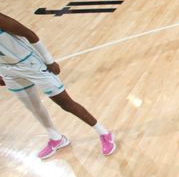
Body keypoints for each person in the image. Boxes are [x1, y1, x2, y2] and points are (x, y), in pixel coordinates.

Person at [0, 12, 115, 158]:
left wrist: (49, 60)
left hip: (30, 65)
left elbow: (30, 34)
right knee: (32, 106)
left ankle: (104, 133)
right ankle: (56, 138)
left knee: (66, 104)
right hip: (7, 70)